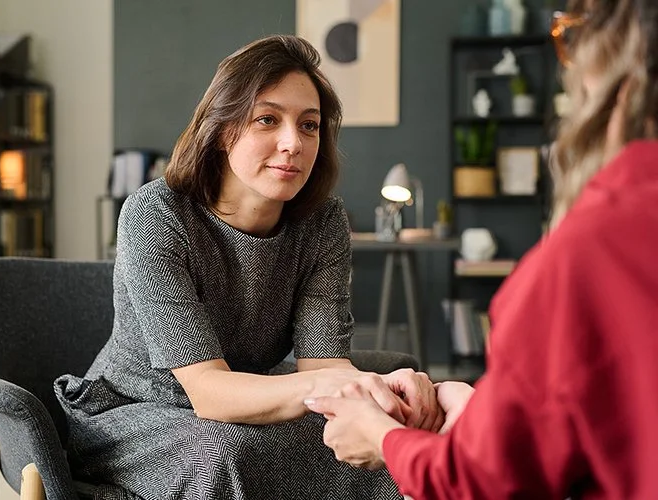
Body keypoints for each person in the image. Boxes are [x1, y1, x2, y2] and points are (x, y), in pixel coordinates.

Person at [54, 34, 443, 500]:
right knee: (229, 450)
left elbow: (323, 363)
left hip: (254, 398)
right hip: (138, 411)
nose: (292, 143)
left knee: (381, 435)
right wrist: (345, 387)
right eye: (267, 119)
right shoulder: (156, 214)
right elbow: (209, 392)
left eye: (309, 125)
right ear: (222, 130)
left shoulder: (323, 223)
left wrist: (378, 392)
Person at [305, 0, 658, 498]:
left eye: (311, 125)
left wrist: (382, 437)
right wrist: (477, 405)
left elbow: (484, 479)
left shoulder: (585, 256)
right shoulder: (160, 218)